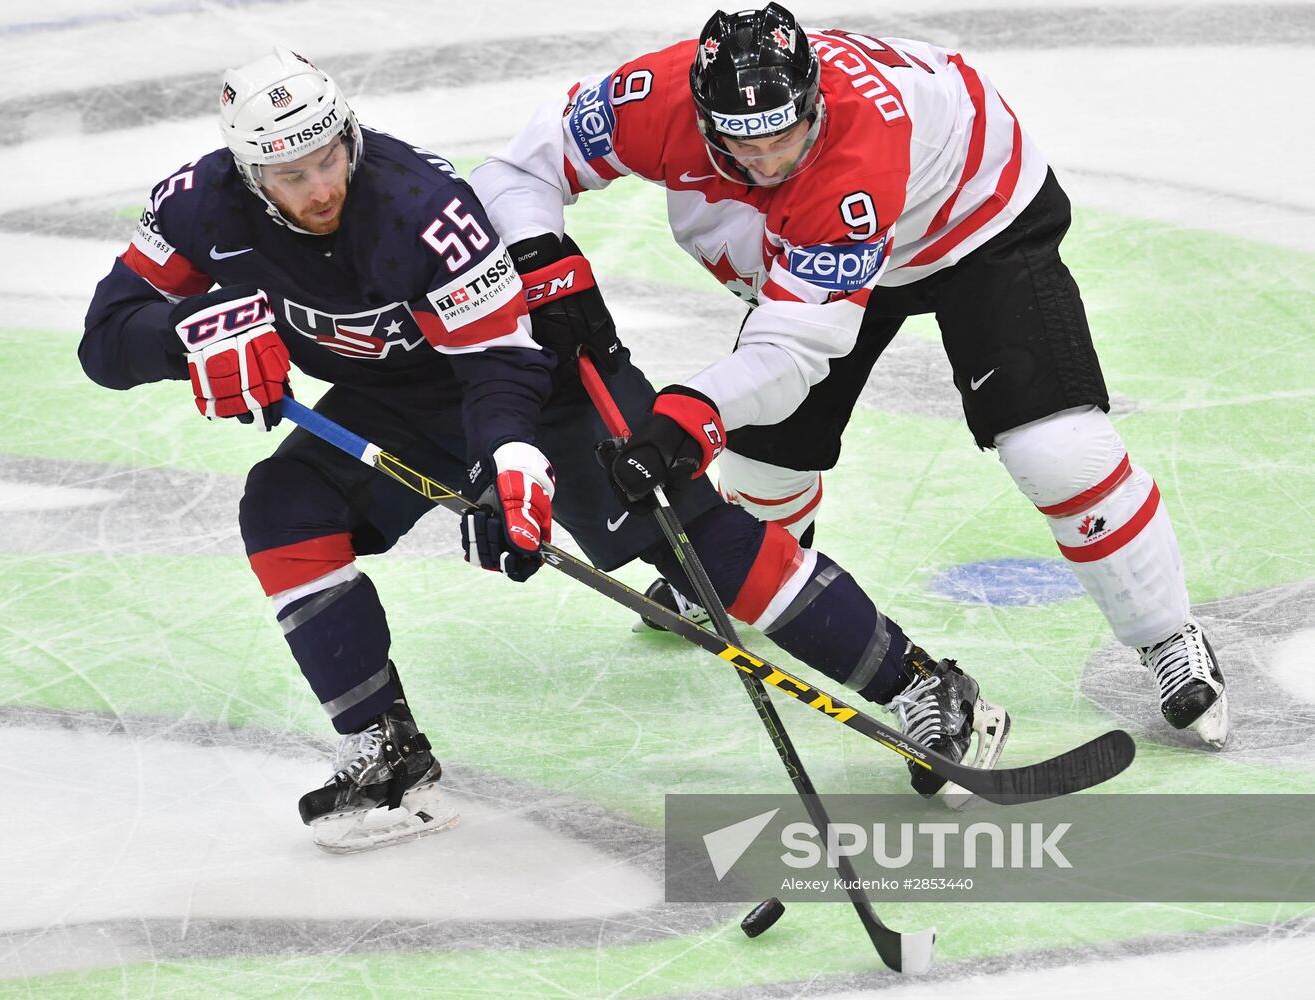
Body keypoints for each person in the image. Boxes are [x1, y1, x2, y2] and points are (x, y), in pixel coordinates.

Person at [79, 47, 1009, 854]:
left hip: (536, 383)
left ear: (349, 136)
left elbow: (498, 368)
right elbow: (104, 339)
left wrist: (511, 470)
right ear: (249, 176)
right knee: (282, 511)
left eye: (329, 157)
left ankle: (924, 684)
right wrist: (187, 332)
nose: (320, 186)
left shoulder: (420, 207)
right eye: (292, 176)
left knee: (699, 544)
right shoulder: (198, 207)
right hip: (392, 400)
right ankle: (384, 747)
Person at [468, 3, 1228, 749]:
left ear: (814, 101)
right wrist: (542, 259)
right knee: (762, 466)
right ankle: (752, 584)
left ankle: (1165, 632)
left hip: (976, 218)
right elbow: (516, 169)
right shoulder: (653, 100)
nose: (765, 162)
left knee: (1055, 450)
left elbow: (795, 352)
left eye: (784, 136)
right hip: (826, 240)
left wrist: (689, 413)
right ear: (700, 117)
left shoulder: (853, 161)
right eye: (741, 143)